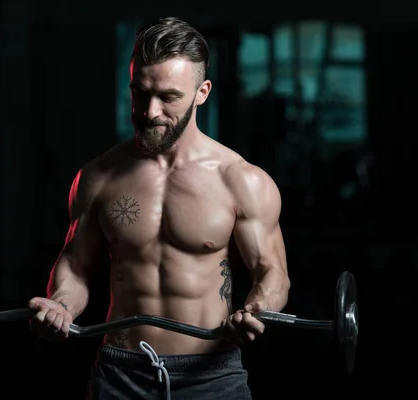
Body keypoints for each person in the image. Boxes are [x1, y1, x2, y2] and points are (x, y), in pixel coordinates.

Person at [28, 17, 290, 400]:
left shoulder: (241, 181)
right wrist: (62, 305)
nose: (150, 111)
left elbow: (273, 272)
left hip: (212, 377)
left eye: (168, 97)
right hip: (121, 374)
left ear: (202, 92)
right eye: (139, 93)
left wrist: (258, 307)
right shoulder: (98, 176)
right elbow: (76, 265)